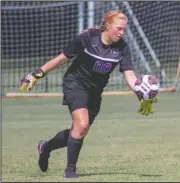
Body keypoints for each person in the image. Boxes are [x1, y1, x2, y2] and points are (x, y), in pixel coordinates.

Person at [19, 10, 157, 178]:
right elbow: (62, 58)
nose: (121, 33)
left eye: (123, 30)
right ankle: (70, 171)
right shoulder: (87, 38)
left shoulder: (122, 48)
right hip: (75, 83)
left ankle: (46, 147)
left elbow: (129, 74)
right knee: (82, 124)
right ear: (107, 25)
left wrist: (140, 95)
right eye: (118, 28)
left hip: (95, 91)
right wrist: (36, 74)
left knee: (78, 131)